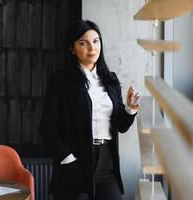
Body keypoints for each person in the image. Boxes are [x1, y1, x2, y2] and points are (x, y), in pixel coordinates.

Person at [39, 20, 140, 200]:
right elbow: (47, 127)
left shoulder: (110, 80)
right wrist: (68, 158)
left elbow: (121, 126)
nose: (91, 47)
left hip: (107, 162)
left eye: (95, 41)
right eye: (83, 43)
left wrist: (130, 108)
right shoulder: (60, 81)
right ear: (72, 48)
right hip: (75, 160)